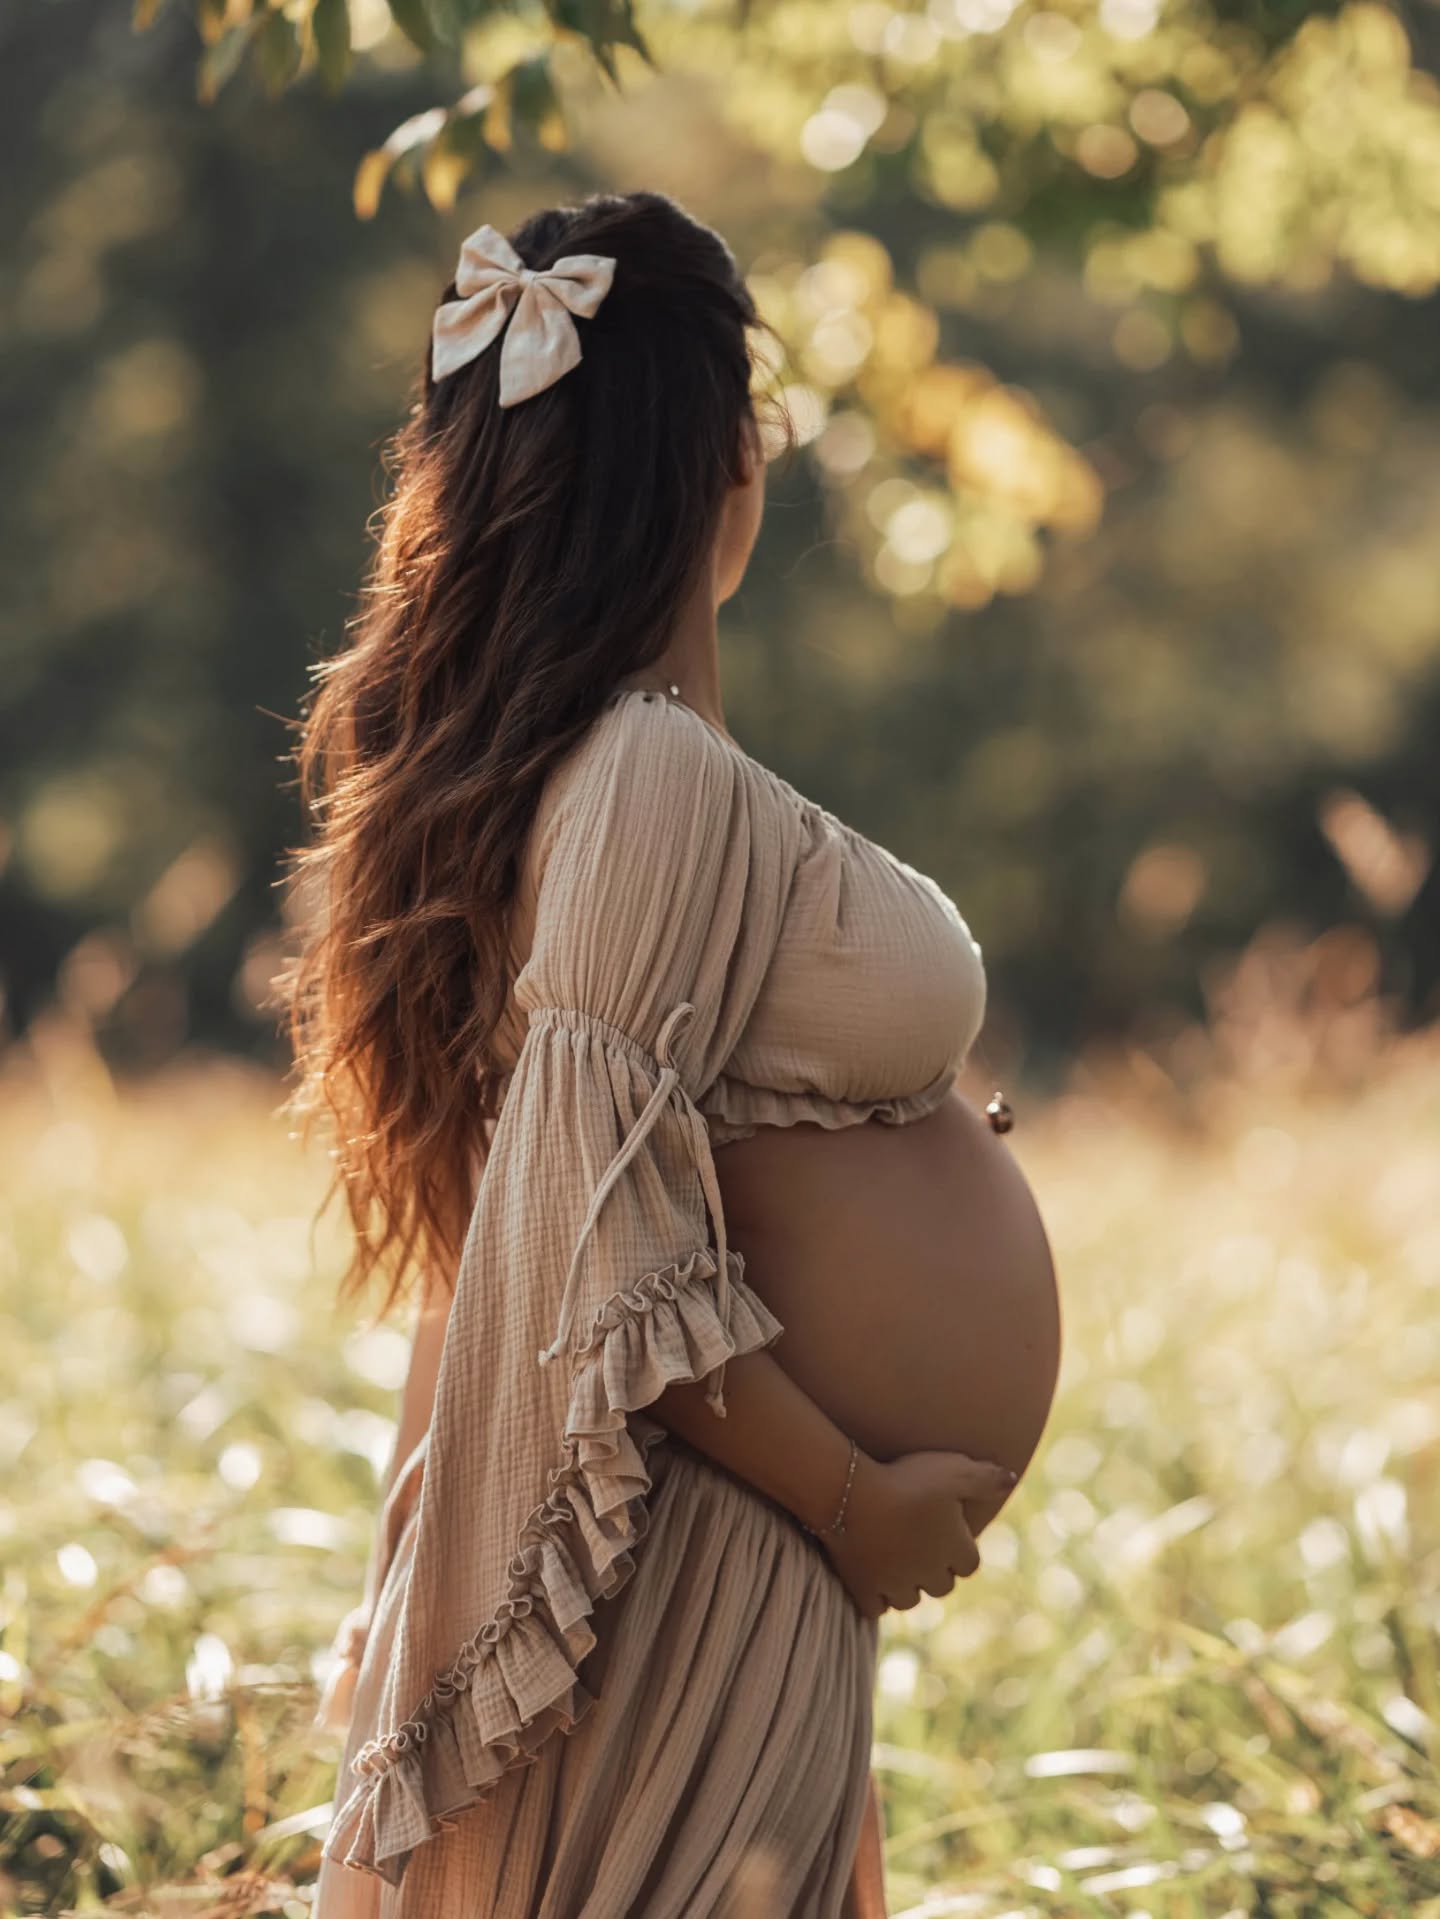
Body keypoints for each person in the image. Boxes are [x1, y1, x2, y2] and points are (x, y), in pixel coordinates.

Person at [290, 189, 1061, 1919]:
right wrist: (854, 1500)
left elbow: (491, 1245)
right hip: (708, 1548)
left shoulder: (604, 779)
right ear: (735, 454)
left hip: (728, 1548)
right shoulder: (647, 782)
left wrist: (407, 1566)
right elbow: (571, 1241)